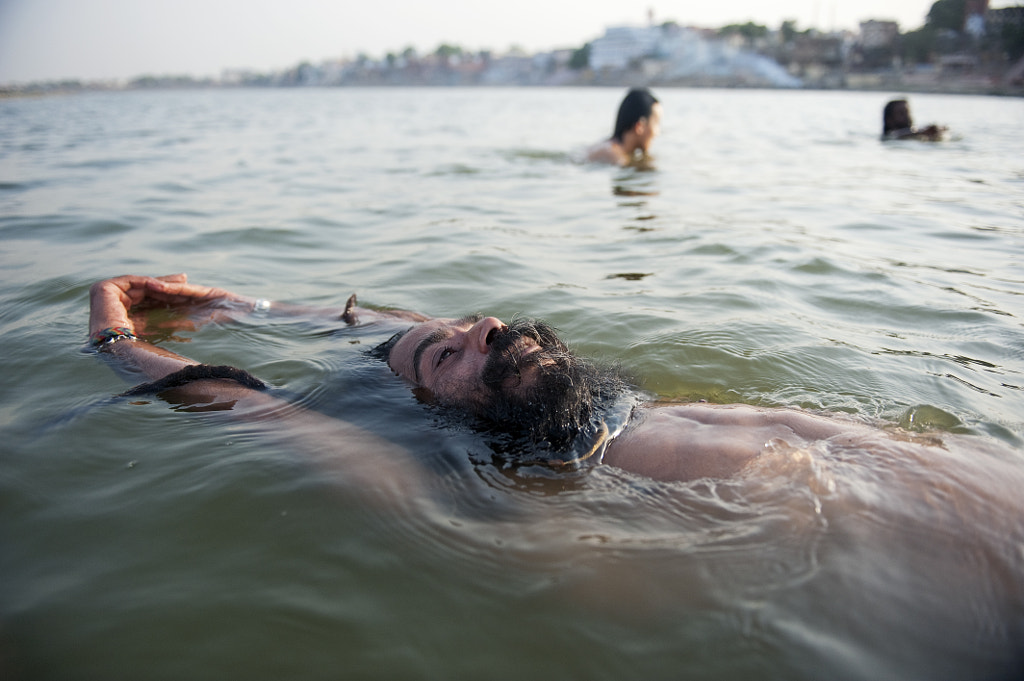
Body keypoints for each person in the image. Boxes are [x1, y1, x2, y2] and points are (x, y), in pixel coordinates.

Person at [87, 273, 995, 486]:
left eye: (477, 324)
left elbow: (386, 327)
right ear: (429, 408)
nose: (488, 326)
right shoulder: (466, 483)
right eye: (449, 356)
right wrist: (114, 315)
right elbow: (235, 391)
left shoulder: (639, 411)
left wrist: (236, 299)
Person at [587, 88, 662, 166]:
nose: (658, 133)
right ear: (639, 127)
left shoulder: (608, 146)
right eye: (656, 122)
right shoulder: (615, 156)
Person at [882, 98, 947, 141]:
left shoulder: (916, 131)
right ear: (889, 120)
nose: (907, 116)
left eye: (908, 112)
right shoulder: (891, 136)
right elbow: (896, 134)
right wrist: (922, 132)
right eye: (901, 113)